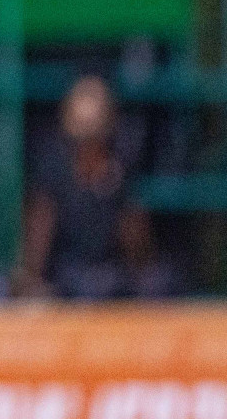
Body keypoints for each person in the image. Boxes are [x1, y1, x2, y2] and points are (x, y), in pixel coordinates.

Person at [15, 75, 174, 300]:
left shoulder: (120, 168)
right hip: (66, 274)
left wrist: (113, 190)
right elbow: (38, 239)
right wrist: (32, 282)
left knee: (158, 282)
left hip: (113, 273)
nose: (88, 135)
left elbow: (139, 249)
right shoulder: (53, 169)